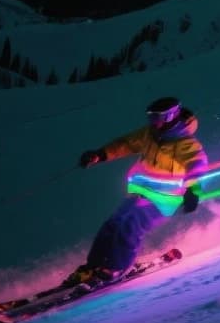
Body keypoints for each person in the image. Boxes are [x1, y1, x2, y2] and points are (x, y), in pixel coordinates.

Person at [66, 96, 208, 285]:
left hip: (164, 199)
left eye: (158, 117)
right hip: (141, 192)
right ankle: (94, 266)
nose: (154, 122)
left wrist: (193, 191)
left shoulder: (185, 143)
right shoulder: (149, 134)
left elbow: (197, 165)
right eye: (151, 117)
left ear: (171, 116)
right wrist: (100, 154)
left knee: (130, 226)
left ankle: (115, 268)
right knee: (113, 224)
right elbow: (126, 144)